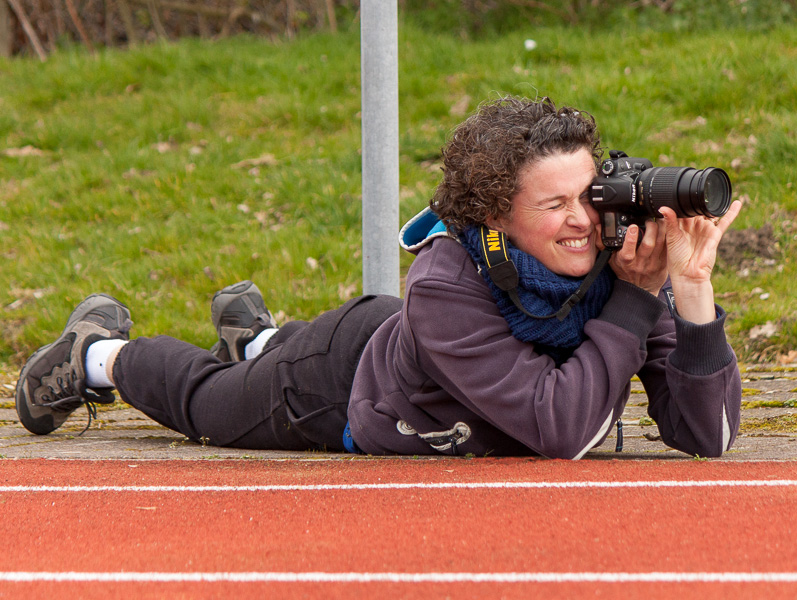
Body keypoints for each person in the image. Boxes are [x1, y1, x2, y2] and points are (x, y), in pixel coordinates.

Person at [15, 96, 742, 459]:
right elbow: (561, 429)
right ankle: (97, 354)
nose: (584, 219)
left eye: (589, 195)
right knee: (209, 409)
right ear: (495, 216)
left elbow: (708, 435)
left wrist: (692, 292)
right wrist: (640, 298)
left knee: (257, 365)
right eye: (553, 205)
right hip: (343, 383)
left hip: (420, 358)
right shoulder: (448, 282)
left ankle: (258, 338)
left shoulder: (624, 262)